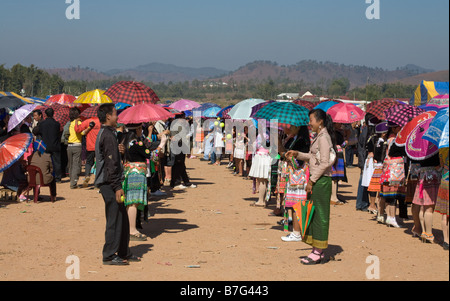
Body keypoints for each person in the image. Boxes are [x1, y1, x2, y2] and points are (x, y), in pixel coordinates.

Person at [286, 109, 336, 265]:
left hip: (321, 181)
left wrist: (312, 181)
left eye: (312, 120)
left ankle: (319, 251)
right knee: (314, 215)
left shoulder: (324, 138)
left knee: (320, 215)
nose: (309, 123)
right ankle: (316, 250)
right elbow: (313, 157)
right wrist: (297, 154)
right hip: (317, 180)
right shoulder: (319, 137)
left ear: (320, 121)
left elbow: (325, 163)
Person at [94, 103, 138, 266]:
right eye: (115, 114)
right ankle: (109, 254)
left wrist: (120, 152)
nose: (117, 116)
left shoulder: (108, 134)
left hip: (111, 182)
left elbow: (111, 157)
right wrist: (117, 186)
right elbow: (110, 164)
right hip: (109, 183)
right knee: (114, 219)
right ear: (108, 117)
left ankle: (123, 251)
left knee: (122, 219)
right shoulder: (107, 134)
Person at [379, 122, 408, 228]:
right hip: (394, 170)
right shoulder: (394, 140)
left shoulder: (391, 139)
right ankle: (391, 217)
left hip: (393, 169)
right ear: (394, 128)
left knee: (391, 195)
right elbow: (392, 153)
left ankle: (390, 217)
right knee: (392, 194)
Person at [412, 153, 441, 243]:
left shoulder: (419, 149)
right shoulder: (433, 149)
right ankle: (429, 234)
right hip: (432, 177)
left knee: (422, 207)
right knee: (429, 208)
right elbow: (437, 164)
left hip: (422, 176)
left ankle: (424, 232)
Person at [367, 122, 389, 220]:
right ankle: (378, 209)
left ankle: (378, 210)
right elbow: (379, 155)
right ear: (383, 133)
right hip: (381, 167)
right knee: (380, 190)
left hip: (377, 166)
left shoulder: (376, 141)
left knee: (377, 189)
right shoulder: (381, 142)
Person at [37, 108, 62, 182]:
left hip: (45, 146)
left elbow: (40, 133)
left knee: (46, 162)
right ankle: (58, 178)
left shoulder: (42, 124)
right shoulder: (57, 124)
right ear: (53, 114)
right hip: (55, 145)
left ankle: (46, 177)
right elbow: (58, 133)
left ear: (45, 115)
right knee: (57, 162)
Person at [248, 129, 272, 207]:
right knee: (264, 180)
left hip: (261, 157)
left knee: (262, 181)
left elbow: (256, 146)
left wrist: (253, 142)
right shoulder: (270, 133)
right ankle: (263, 199)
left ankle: (261, 201)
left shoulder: (262, 134)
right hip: (267, 157)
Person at [74, 116, 100, 187]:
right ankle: (97, 182)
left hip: (90, 145)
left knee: (88, 162)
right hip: (99, 146)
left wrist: (76, 121)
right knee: (99, 164)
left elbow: (77, 129)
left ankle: (87, 175)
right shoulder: (101, 121)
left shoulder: (87, 121)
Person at [65, 108, 83, 189]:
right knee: (76, 164)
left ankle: (72, 179)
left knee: (71, 164)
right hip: (77, 145)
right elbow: (82, 132)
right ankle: (73, 183)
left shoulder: (70, 123)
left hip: (69, 145)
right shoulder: (78, 123)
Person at [435, 148, 449, 250]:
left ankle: (446, 240)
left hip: (445, 181)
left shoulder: (443, 149)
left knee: (445, 213)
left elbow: (440, 165)